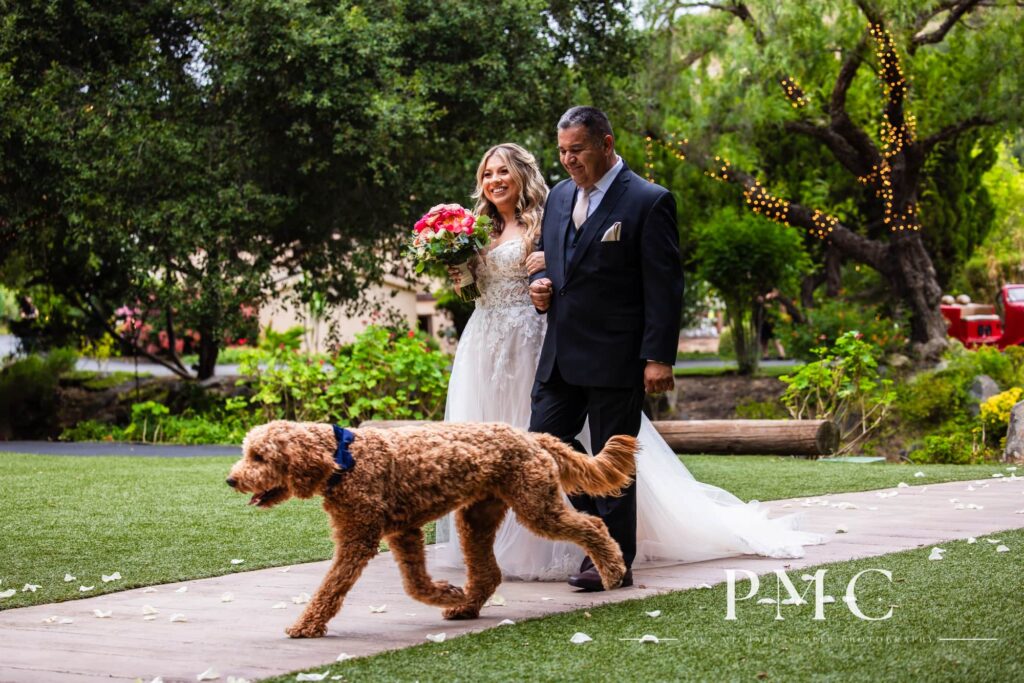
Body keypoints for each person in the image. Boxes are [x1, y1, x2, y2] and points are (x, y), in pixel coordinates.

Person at [437, 127, 823, 585]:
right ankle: (595, 522)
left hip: (612, 351)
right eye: (562, 151)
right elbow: (558, 267)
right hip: (554, 350)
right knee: (540, 444)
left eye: (576, 149)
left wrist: (658, 356)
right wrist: (543, 287)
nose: (569, 159)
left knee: (612, 449)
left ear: (605, 143)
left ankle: (611, 563)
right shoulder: (561, 198)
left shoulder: (647, 199)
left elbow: (664, 283)